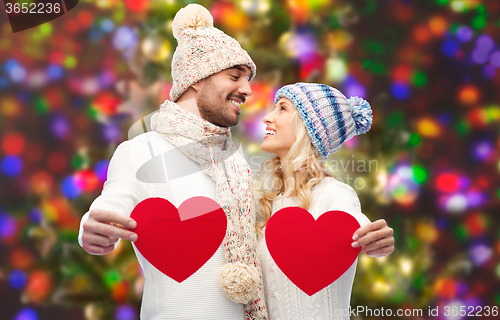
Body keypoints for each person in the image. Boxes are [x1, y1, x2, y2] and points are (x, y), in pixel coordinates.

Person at [78, 4, 267, 320]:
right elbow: (112, 204)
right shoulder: (140, 151)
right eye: (235, 76)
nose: (247, 89)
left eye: (247, 79)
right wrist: (93, 227)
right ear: (197, 79)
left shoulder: (238, 163)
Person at [255, 83, 395, 319]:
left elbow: (362, 232)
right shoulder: (270, 205)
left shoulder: (333, 194)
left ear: (308, 128)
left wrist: (379, 242)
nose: (267, 118)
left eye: (282, 108)